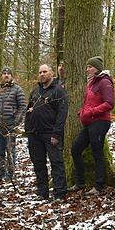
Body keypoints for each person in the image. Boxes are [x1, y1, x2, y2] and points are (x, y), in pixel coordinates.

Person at [69, 56, 114, 194]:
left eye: (90, 67)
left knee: (97, 153)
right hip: (89, 122)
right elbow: (90, 102)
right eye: (87, 66)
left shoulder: (105, 82)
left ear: (97, 68)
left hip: (100, 122)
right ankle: (80, 182)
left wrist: (91, 112)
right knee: (76, 149)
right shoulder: (92, 83)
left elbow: (109, 103)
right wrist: (83, 112)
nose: (87, 69)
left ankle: (99, 185)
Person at [25, 64, 69, 200]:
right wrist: (28, 129)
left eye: (45, 71)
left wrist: (56, 134)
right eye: (40, 72)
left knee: (56, 163)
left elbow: (62, 114)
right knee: (38, 163)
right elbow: (29, 110)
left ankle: (60, 193)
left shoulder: (58, 91)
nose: (42, 74)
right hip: (34, 133)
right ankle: (42, 192)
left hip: (50, 133)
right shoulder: (35, 91)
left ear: (51, 73)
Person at [0, 66, 26, 182]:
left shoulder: (17, 89)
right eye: (4, 73)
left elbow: (22, 107)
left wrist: (16, 122)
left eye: (8, 73)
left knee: (11, 151)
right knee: (0, 152)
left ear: (11, 76)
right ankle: (0, 175)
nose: (6, 75)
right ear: (1, 76)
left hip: (11, 126)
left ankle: (10, 175)